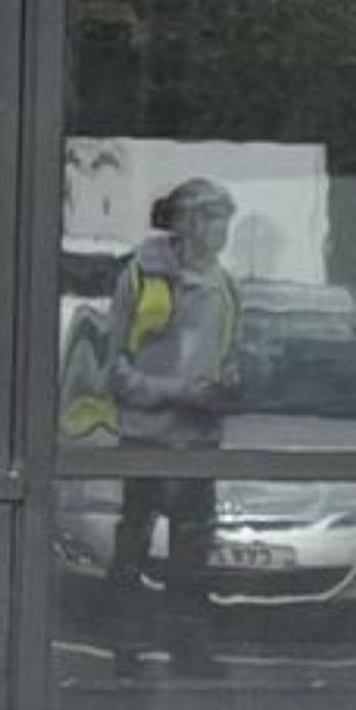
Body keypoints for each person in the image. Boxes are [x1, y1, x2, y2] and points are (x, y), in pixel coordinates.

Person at [100, 179, 247, 668]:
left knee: (192, 552)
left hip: (200, 440)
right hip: (147, 438)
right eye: (210, 218)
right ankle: (124, 643)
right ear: (185, 223)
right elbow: (114, 372)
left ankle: (188, 646)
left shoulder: (227, 285)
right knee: (135, 544)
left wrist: (229, 381)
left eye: (225, 218)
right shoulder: (141, 278)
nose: (220, 229)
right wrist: (178, 392)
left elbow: (230, 354)